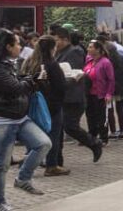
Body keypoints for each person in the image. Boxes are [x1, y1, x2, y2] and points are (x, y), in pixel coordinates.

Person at [0, 28, 52, 211]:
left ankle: (23, 178)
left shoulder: (6, 64)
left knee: (43, 144)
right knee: (1, 166)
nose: (21, 46)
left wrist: (31, 80)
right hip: (0, 123)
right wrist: (32, 80)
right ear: (7, 46)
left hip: (19, 118)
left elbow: (18, 84)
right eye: (17, 43)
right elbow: (15, 88)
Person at [50, 27, 101, 168]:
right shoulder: (58, 53)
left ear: (65, 39)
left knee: (70, 126)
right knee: (59, 129)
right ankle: (56, 159)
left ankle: (94, 143)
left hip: (73, 97)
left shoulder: (75, 51)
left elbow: (73, 73)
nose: (55, 42)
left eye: (57, 40)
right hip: (62, 96)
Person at [22, 36, 69, 177]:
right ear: (51, 48)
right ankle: (52, 165)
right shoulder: (52, 64)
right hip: (51, 105)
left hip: (32, 103)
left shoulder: (29, 62)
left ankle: (29, 162)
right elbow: (61, 86)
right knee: (53, 134)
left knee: (34, 135)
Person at [83, 39, 115, 145]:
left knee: (101, 117)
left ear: (98, 49)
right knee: (90, 116)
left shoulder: (105, 62)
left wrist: (109, 93)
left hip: (100, 94)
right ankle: (92, 136)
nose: (88, 49)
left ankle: (103, 138)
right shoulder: (89, 60)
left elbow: (111, 79)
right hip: (89, 94)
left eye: (91, 47)